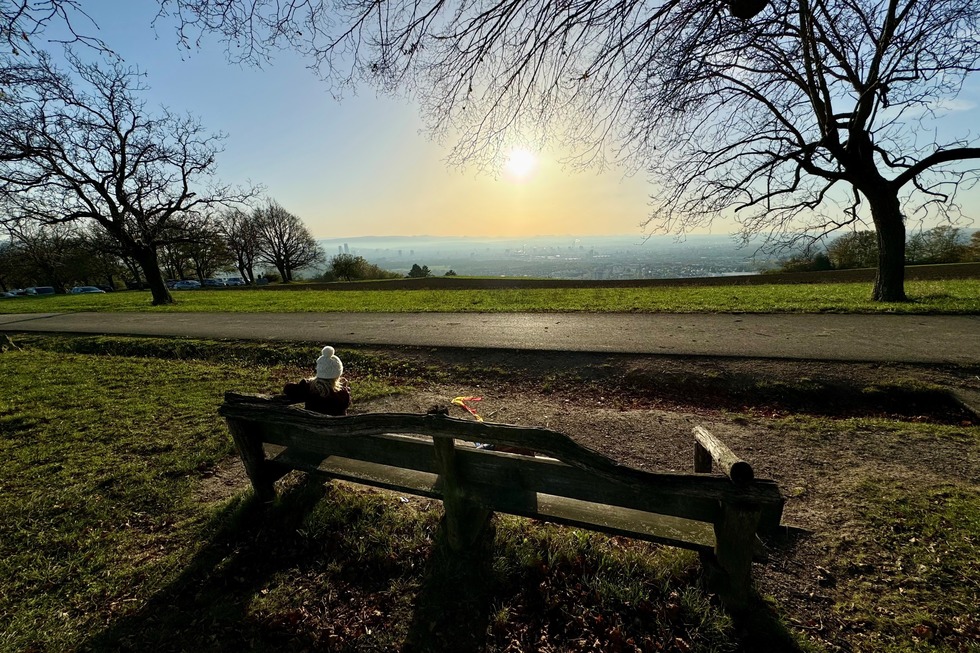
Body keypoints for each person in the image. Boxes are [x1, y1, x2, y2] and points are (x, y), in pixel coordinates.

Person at [283, 345, 351, 416]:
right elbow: (346, 404)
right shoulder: (342, 394)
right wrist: (346, 388)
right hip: (336, 426)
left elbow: (288, 389)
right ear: (338, 374)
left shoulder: (309, 388)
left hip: (311, 425)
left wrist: (307, 382)